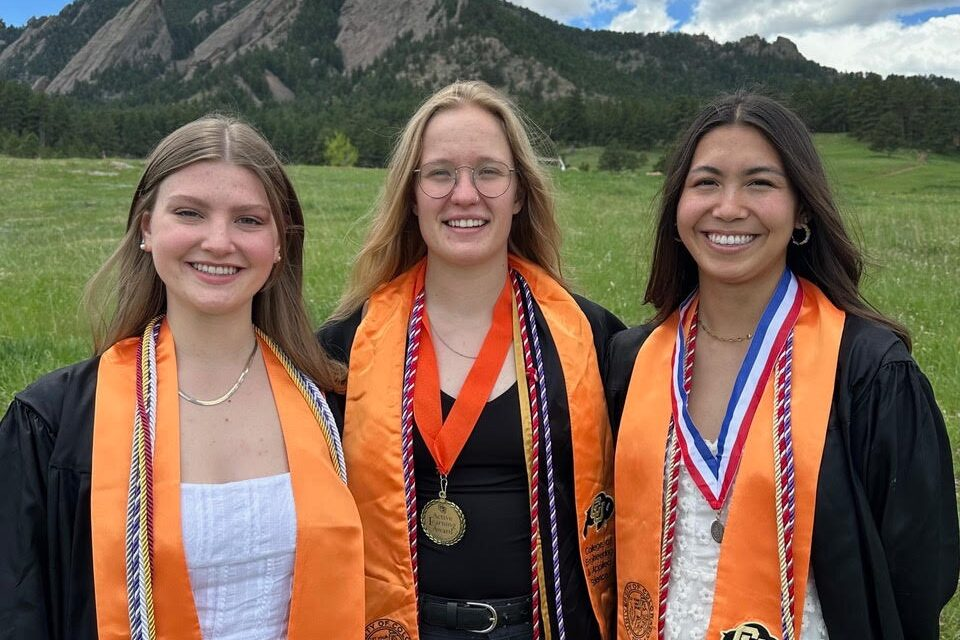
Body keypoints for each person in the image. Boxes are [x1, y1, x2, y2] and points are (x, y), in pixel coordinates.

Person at [607, 91, 958, 640]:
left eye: (759, 182)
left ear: (802, 211)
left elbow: (920, 573)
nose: (728, 207)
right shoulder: (633, 360)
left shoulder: (868, 371)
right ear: (676, 210)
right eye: (705, 182)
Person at [0, 115, 364, 639]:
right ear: (147, 228)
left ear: (280, 243)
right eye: (190, 213)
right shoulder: (56, 425)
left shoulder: (333, 405)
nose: (218, 242)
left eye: (248, 220)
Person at [320, 80, 623, 640]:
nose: (465, 194)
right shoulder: (344, 347)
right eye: (439, 173)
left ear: (519, 193)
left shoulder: (594, 338)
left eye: (488, 171)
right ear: (411, 197)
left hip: (555, 625)